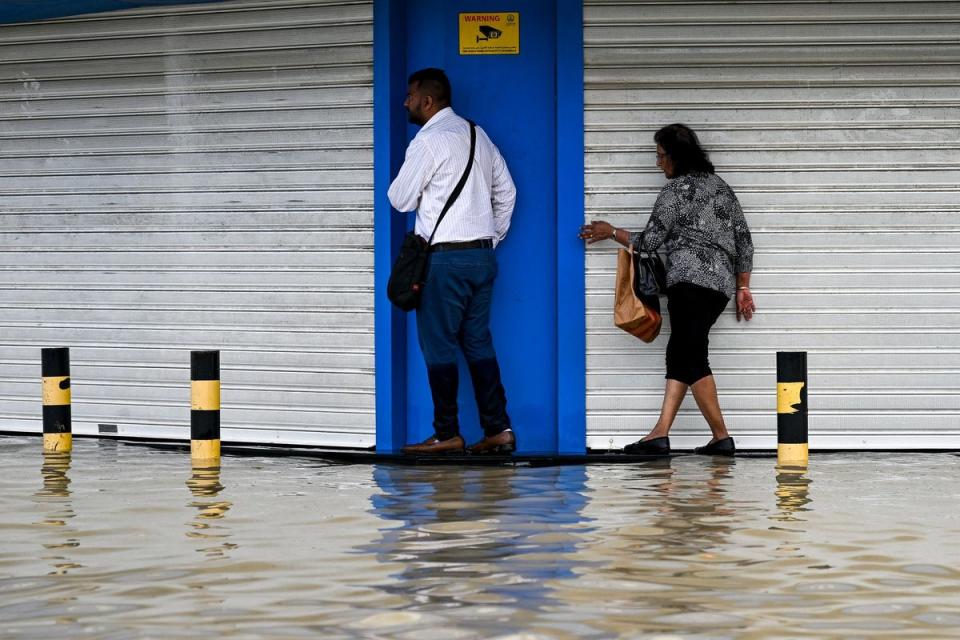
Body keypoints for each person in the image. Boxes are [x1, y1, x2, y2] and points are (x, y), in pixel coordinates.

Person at [579, 123, 755, 456]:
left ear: (676, 157)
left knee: (691, 356)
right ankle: (661, 434)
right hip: (718, 289)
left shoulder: (676, 191)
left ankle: (720, 436)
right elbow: (744, 242)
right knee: (681, 353)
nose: (658, 163)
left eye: (661, 156)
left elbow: (651, 241)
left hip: (688, 284)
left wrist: (610, 231)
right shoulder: (722, 189)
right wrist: (742, 286)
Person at [388, 68, 517, 455]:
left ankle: (447, 434)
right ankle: (498, 429)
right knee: (477, 342)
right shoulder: (478, 135)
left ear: (428, 101)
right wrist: (490, 240)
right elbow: (506, 192)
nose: (406, 102)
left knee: (438, 346)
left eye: (410, 96)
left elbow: (400, 199)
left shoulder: (428, 141)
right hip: (481, 258)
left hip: (444, 261)